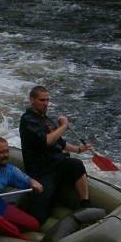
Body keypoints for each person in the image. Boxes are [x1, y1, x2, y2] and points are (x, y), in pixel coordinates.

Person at [18, 86, 93, 224]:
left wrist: (79, 149)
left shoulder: (46, 119)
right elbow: (47, 141)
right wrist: (63, 126)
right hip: (41, 171)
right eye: (42, 100)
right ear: (32, 100)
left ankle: (85, 205)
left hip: (56, 164)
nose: (46, 103)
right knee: (39, 215)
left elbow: (60, 142)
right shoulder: (28, 120)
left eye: (47, 100)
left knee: (76, 164)